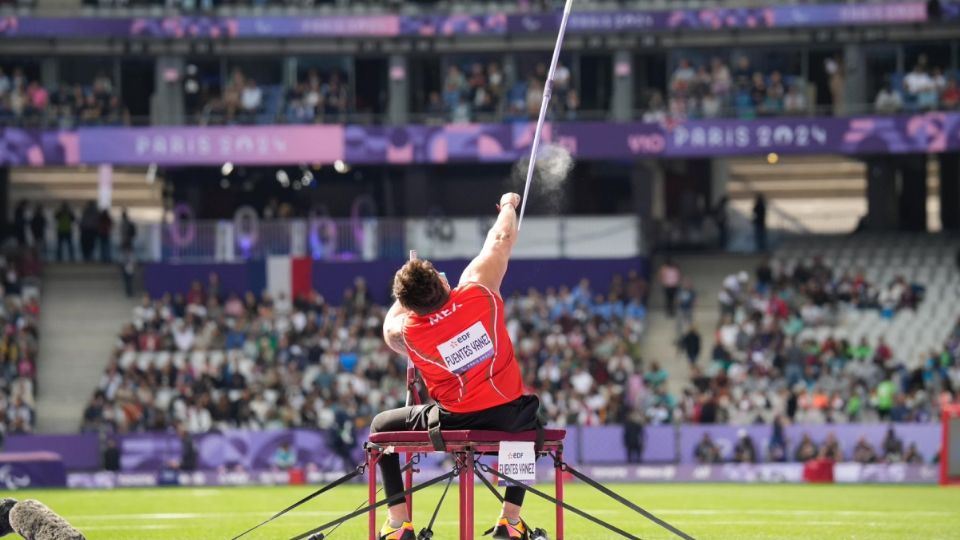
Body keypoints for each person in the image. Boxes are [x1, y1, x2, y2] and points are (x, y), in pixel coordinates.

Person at [373, 192, 538, 540]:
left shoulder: (409, 332)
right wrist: (508, 204)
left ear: (408, 305)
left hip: (452, 418)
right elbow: (500, 238)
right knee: (531, 424)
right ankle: (510, 521)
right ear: (442, 281)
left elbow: (390, 328)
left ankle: (398, 524)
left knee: (380, 428)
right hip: (508, 414)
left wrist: (404, 302)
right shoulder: (478, 289)